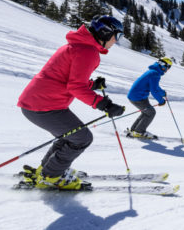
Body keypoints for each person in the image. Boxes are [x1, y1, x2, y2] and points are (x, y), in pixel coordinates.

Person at [17, 15, 126, 190]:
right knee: (82, 138)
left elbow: (69, 79)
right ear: (105, 33)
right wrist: (104, 105)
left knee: (71, 136)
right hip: (43, 106)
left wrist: (92, 85)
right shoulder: (87, 51)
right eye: (117, 36)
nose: (116, 41)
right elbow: (75, 87)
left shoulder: (79, 46)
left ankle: (48, 170)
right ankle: (51, 177)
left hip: (40, 102)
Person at [125, 57, 172, 140]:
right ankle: (139, 131)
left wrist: (163, 93)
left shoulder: (153, 72)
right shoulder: (155, 74)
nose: (168, 70)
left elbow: (155, 87)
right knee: (151, 112)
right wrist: (161, 101)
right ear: (163, 65)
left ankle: (134, 130)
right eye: (168, 67)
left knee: (146, 112)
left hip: (138, 96)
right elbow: (153, 91)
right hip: (138, 97)